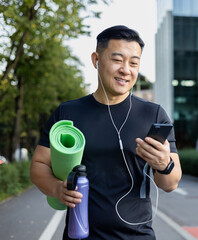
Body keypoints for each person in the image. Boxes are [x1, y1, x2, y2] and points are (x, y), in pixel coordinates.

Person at [30, 25, 182, 239]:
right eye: (117, 60)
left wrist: (164, 165)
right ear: (96, 60)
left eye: (134, 63)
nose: (126, 70)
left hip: (137, 235)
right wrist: (57, 189)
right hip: (80, 234)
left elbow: (171, 184)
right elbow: (39, 165)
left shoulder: (153, 115)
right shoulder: (68, 112)